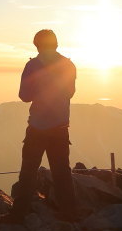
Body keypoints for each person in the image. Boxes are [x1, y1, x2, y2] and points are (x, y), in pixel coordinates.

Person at [11, 29, 79, 220]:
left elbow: (24, 96)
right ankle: (69, 213)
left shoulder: (33, 65)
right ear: (56, 44)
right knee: (62, 172)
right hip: (60, 127)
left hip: (38, 126)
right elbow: (70, 92)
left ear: (37, 45)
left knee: (28, 172)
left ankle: (18, 214)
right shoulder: (68, 65)